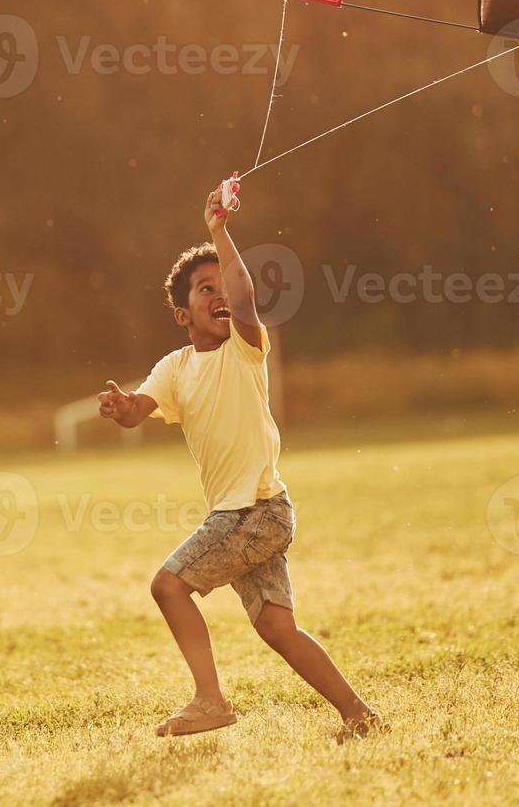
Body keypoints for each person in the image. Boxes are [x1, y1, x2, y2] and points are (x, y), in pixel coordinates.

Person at [98, 180, 383, 741]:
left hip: (252, 512)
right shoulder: (176, 368)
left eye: (220, 283)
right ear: (183, 316)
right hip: (255, 516)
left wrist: (219, 233)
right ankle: (359, 714)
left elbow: (245, 296)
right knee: (277, 627)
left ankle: (210, 701)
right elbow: (139, 412)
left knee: (168, 587)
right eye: (204, 290)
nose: (218, 294)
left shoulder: (246, 347)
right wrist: (120, 406)